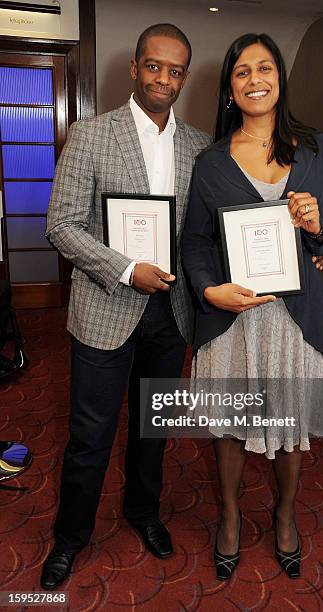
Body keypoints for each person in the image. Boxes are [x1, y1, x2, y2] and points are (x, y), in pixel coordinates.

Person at [40, 24, 211, 590]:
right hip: (105, 308)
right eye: (155, 66)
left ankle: (144, 513)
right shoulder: (90, 135)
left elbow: (205, 232)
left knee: (152, 429)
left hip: (172, 313)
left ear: (184, 77)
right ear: (136, 68)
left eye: (176, 70)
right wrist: (122, 268)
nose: (164, 78)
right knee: (90, 435)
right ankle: (70, 538)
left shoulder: (198, 145)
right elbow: (61, 226)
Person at [182, 33, 323, 581]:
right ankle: (230, 516)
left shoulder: (319, 148)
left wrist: (316, 226)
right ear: (230, 88)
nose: (254, 79)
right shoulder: (211, 162)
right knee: (232, 425)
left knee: (289, 420)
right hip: (235, 317)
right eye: (241, 72)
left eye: (265, 68)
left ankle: (284, 514)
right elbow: (194, 242)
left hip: (294, 320)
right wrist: (211, 289)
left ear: (280, 78)